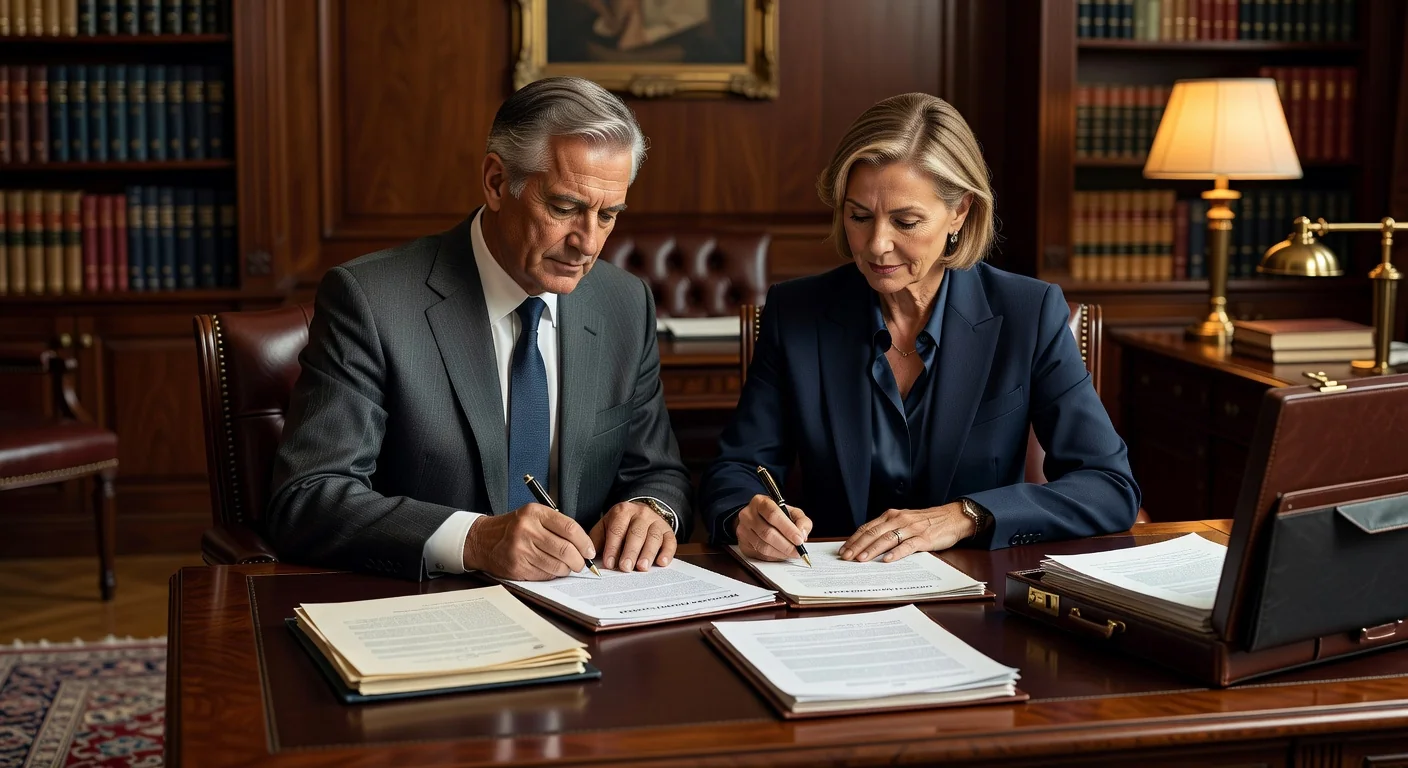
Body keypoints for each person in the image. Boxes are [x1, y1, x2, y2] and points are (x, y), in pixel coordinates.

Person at [267, 77, 691, 582]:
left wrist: (652, 510)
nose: (588, 243)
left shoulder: (625, 302)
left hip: (588, 606)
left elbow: (658, 472)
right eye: (564, 208)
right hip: (428, 608)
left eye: (609, 215)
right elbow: (309, 496)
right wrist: (473, 540)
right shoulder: (372, 301)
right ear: (495, 182)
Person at [699, 93, 1139, 564]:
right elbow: (738, 469)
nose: (876, 245)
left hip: (978, 592)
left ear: (960, 212)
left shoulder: (1028, 313)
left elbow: (1109, 487)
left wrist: (966, 515)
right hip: (832, 590)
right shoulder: (798, 311)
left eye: (906, 221)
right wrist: (747, 516)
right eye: (859, 216)